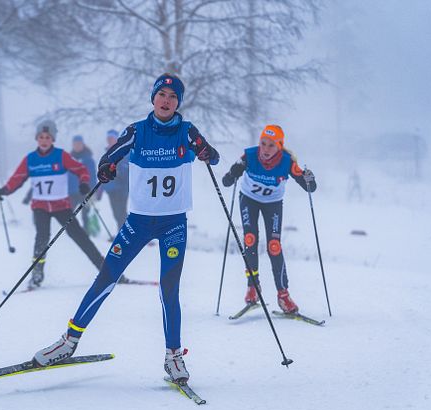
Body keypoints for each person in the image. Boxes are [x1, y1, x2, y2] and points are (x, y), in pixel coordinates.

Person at [32, 74, 219, 385]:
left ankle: (174, 356)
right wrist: (106, 168)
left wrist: (205, 152)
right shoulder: (138, 131)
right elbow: (108, 158)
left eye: (173, 96)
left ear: (178, 103)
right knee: (106, 278)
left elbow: (213, 157)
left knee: (169, 290)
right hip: (139, 222)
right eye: (162, 94)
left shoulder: (187, 132)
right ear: (153, 98)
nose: (167, 100)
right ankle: (69, 341)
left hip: (174, 223)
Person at [0, 120, 107, 289]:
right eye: (41, 137)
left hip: (62, 206)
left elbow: (81, 170)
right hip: (40, 207)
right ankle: (37, 274)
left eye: (47, 137)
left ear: (53, 139)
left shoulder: (61, 156)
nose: (44, 140)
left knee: (80, 236)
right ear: (37, 139)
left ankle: (105, 270)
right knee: (41, 239)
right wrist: (4, 190)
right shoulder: (30, 159)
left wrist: (84, 182)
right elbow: (17, 178)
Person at [221, 125, 317, 314]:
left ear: (280, 146)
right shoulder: (249, 156)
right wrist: (234, 172)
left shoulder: (287, 162)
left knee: (274, 245)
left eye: (271, 146)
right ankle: (253, 287)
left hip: (272, 203)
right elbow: (226, 181)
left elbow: (309, 188)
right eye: (263, 143)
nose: (265, 149)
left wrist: (309, 179)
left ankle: (283, 295)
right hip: (249, 200)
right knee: (250, 239)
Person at [97, 129, 129, 227]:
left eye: (112, 138)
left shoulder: (123, 152)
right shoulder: (106, 154)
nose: (109, 140)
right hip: (111, 189)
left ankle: (126, 234)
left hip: (122, 189)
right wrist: (100, 190)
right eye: (108, 139)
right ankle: (122, 233)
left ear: (116, 139)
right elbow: (102, 172)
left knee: (121, 213)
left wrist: (117, 173)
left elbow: (127, 169)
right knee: (116, 213)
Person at [67, 135, 98, 236]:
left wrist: (92, 190)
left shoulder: (88, 159)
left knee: (85, 212)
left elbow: (93, 175)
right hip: (72, 191)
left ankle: (86, 231)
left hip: (85, 190)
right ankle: (72, 231)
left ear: (82, 144)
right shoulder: (68, 158)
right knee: (69, 212)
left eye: (79, 144)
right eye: (75, 144)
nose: (77, 146)